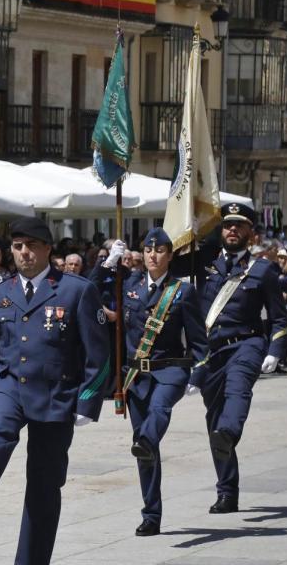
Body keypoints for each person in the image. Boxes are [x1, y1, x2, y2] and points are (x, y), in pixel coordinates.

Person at [0, 216, 109, 565]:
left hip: (56, 394)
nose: (24, 253)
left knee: (44, 485)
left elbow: (98, 353)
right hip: (9, 384)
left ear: (47, 249)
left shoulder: (76, 290)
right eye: (18, 246)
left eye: (32, 246)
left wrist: (87, 399)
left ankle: (31, 560)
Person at [91, 229, 207, 536]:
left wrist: (199, 373)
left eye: (160, 251)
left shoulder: (182, 291)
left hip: (170, 370)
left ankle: (145, 440)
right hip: (136, 376)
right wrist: (105, 264)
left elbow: (198, 339)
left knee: (158, 412)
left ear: (170, 255)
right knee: (146, 449)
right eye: (148, 250)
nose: (153, 255)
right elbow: (88, 295)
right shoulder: (128, 284)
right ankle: (151, 513)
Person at [189, 203, 287, 515]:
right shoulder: (207, 263)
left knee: (237, 390)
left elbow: (279, 318)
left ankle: (231, 431)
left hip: (246, 343)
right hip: (211, 351)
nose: (232, 230)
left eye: (239, 226)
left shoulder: (262, 269)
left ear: (251, 233)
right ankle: (227, 492)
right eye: (228, 225)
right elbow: (173, 262)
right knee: (213, 421)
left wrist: (275, 351)